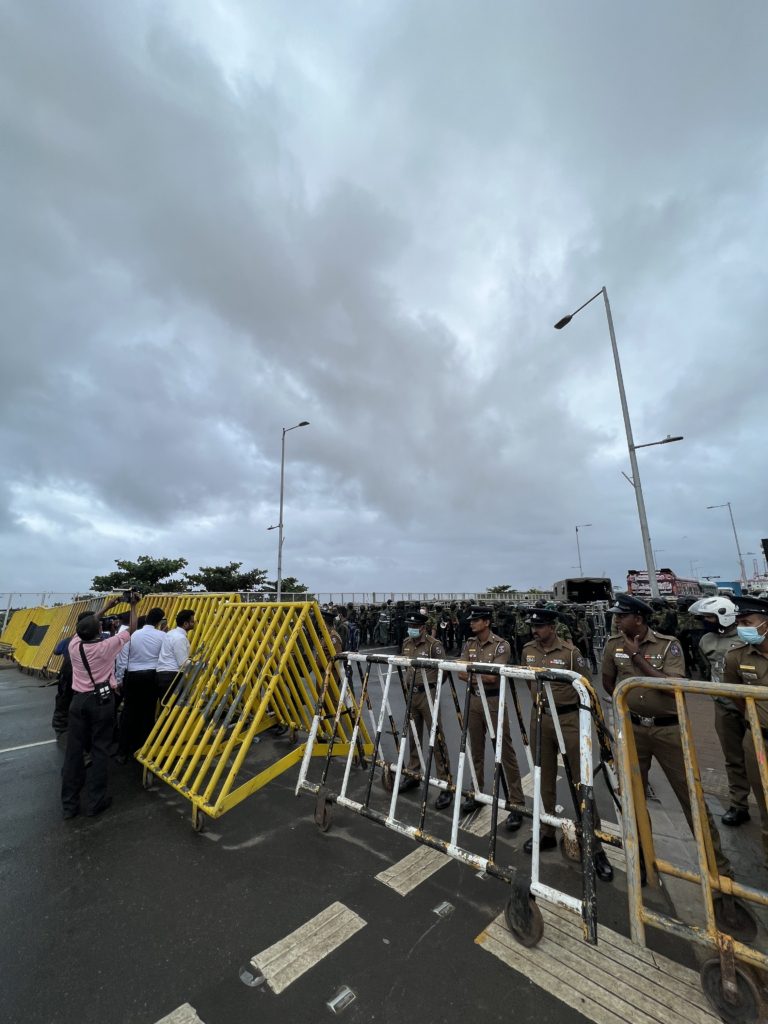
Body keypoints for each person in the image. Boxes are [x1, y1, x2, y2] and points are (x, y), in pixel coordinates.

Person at [602, 593, 732, 879]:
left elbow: (673, 684)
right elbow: (609, 682)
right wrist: (630, 703)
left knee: (691, 799)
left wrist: (637, 658)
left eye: (622, 615)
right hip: (633, 728)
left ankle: (718, 873)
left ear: (638, 618)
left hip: (669, 730)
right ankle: (643, 861)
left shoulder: (668, 645)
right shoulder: (613, 645)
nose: (617, 619)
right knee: (633, 795)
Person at [520, 608, 613, 881]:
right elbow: (529, 682)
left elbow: (586, 687)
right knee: (544, 777)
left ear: (553, 627)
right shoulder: (527, 650)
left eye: (540, 627)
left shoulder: (571, 653)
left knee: (580, 780)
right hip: (541, 719)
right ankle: (546, 831)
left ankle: (593, 843)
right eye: (533, 627)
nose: (535, 631)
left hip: (570, 719)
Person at [61, 592, 139, 818]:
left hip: (78, 702)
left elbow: (87, 625)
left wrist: (106, 606)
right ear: (98, 631)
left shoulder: (75, 645)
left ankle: (69, 804)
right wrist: (133, 605)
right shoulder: (106, 647)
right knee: (100, 750)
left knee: (74, 752)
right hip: (100, 702)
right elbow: (132, 629)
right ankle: (95, 801)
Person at [458, 606, 525, 831]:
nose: (471, 623)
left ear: (486, 622)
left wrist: (474, 673)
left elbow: (493, 678)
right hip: (475, 701)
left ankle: (516, 803)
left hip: (494, 702)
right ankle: (476, 792)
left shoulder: (501, 645)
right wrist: (479, 674)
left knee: (505, 751)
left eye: (476, 620)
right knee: (475, 750)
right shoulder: (470, 644)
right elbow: (459, 671)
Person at [691, 596, 750, 826]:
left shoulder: (746, 637)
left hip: (752, 706)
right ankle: (739, 804)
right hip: (724, 707)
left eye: (710, 617)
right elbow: (710, 669)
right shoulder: (706, 640)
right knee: (733, 758)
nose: (706, 621)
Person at [724, 595, 768, 861]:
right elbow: (735, 696)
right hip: (759, 740)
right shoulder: (736, 657)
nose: (741, 627)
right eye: (739, 622)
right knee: (765, 805)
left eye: (747, 622)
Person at [398, 612, 452, 809]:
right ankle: (413, 773)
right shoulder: (406, 643)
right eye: (409, 625)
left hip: (428, 695)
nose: (410, 628)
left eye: (414, 625)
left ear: (422, 627)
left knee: (436, 738)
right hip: (411, 695)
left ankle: (446, 783)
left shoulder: (433, 645)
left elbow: (444, 670)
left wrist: (432, 688)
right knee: (413, 735)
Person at [116, 606, 166, 763]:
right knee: (148, 713)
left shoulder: (133, 635)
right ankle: (144, 749)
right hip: (152, 676)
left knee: (129, 713)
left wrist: (119, 678)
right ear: (159, 621)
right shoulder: (162, 636)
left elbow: (122, 658)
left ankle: (122, 751)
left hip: (133, 676)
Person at [155, 609, 196, 700]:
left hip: (162, 674)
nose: (194, 623)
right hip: (172, 676)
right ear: (185, 624)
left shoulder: (171, 633)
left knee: (165, 705)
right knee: (170, 706)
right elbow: (182, 662)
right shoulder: (180, 638)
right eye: (192, 622)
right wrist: (197, 663)